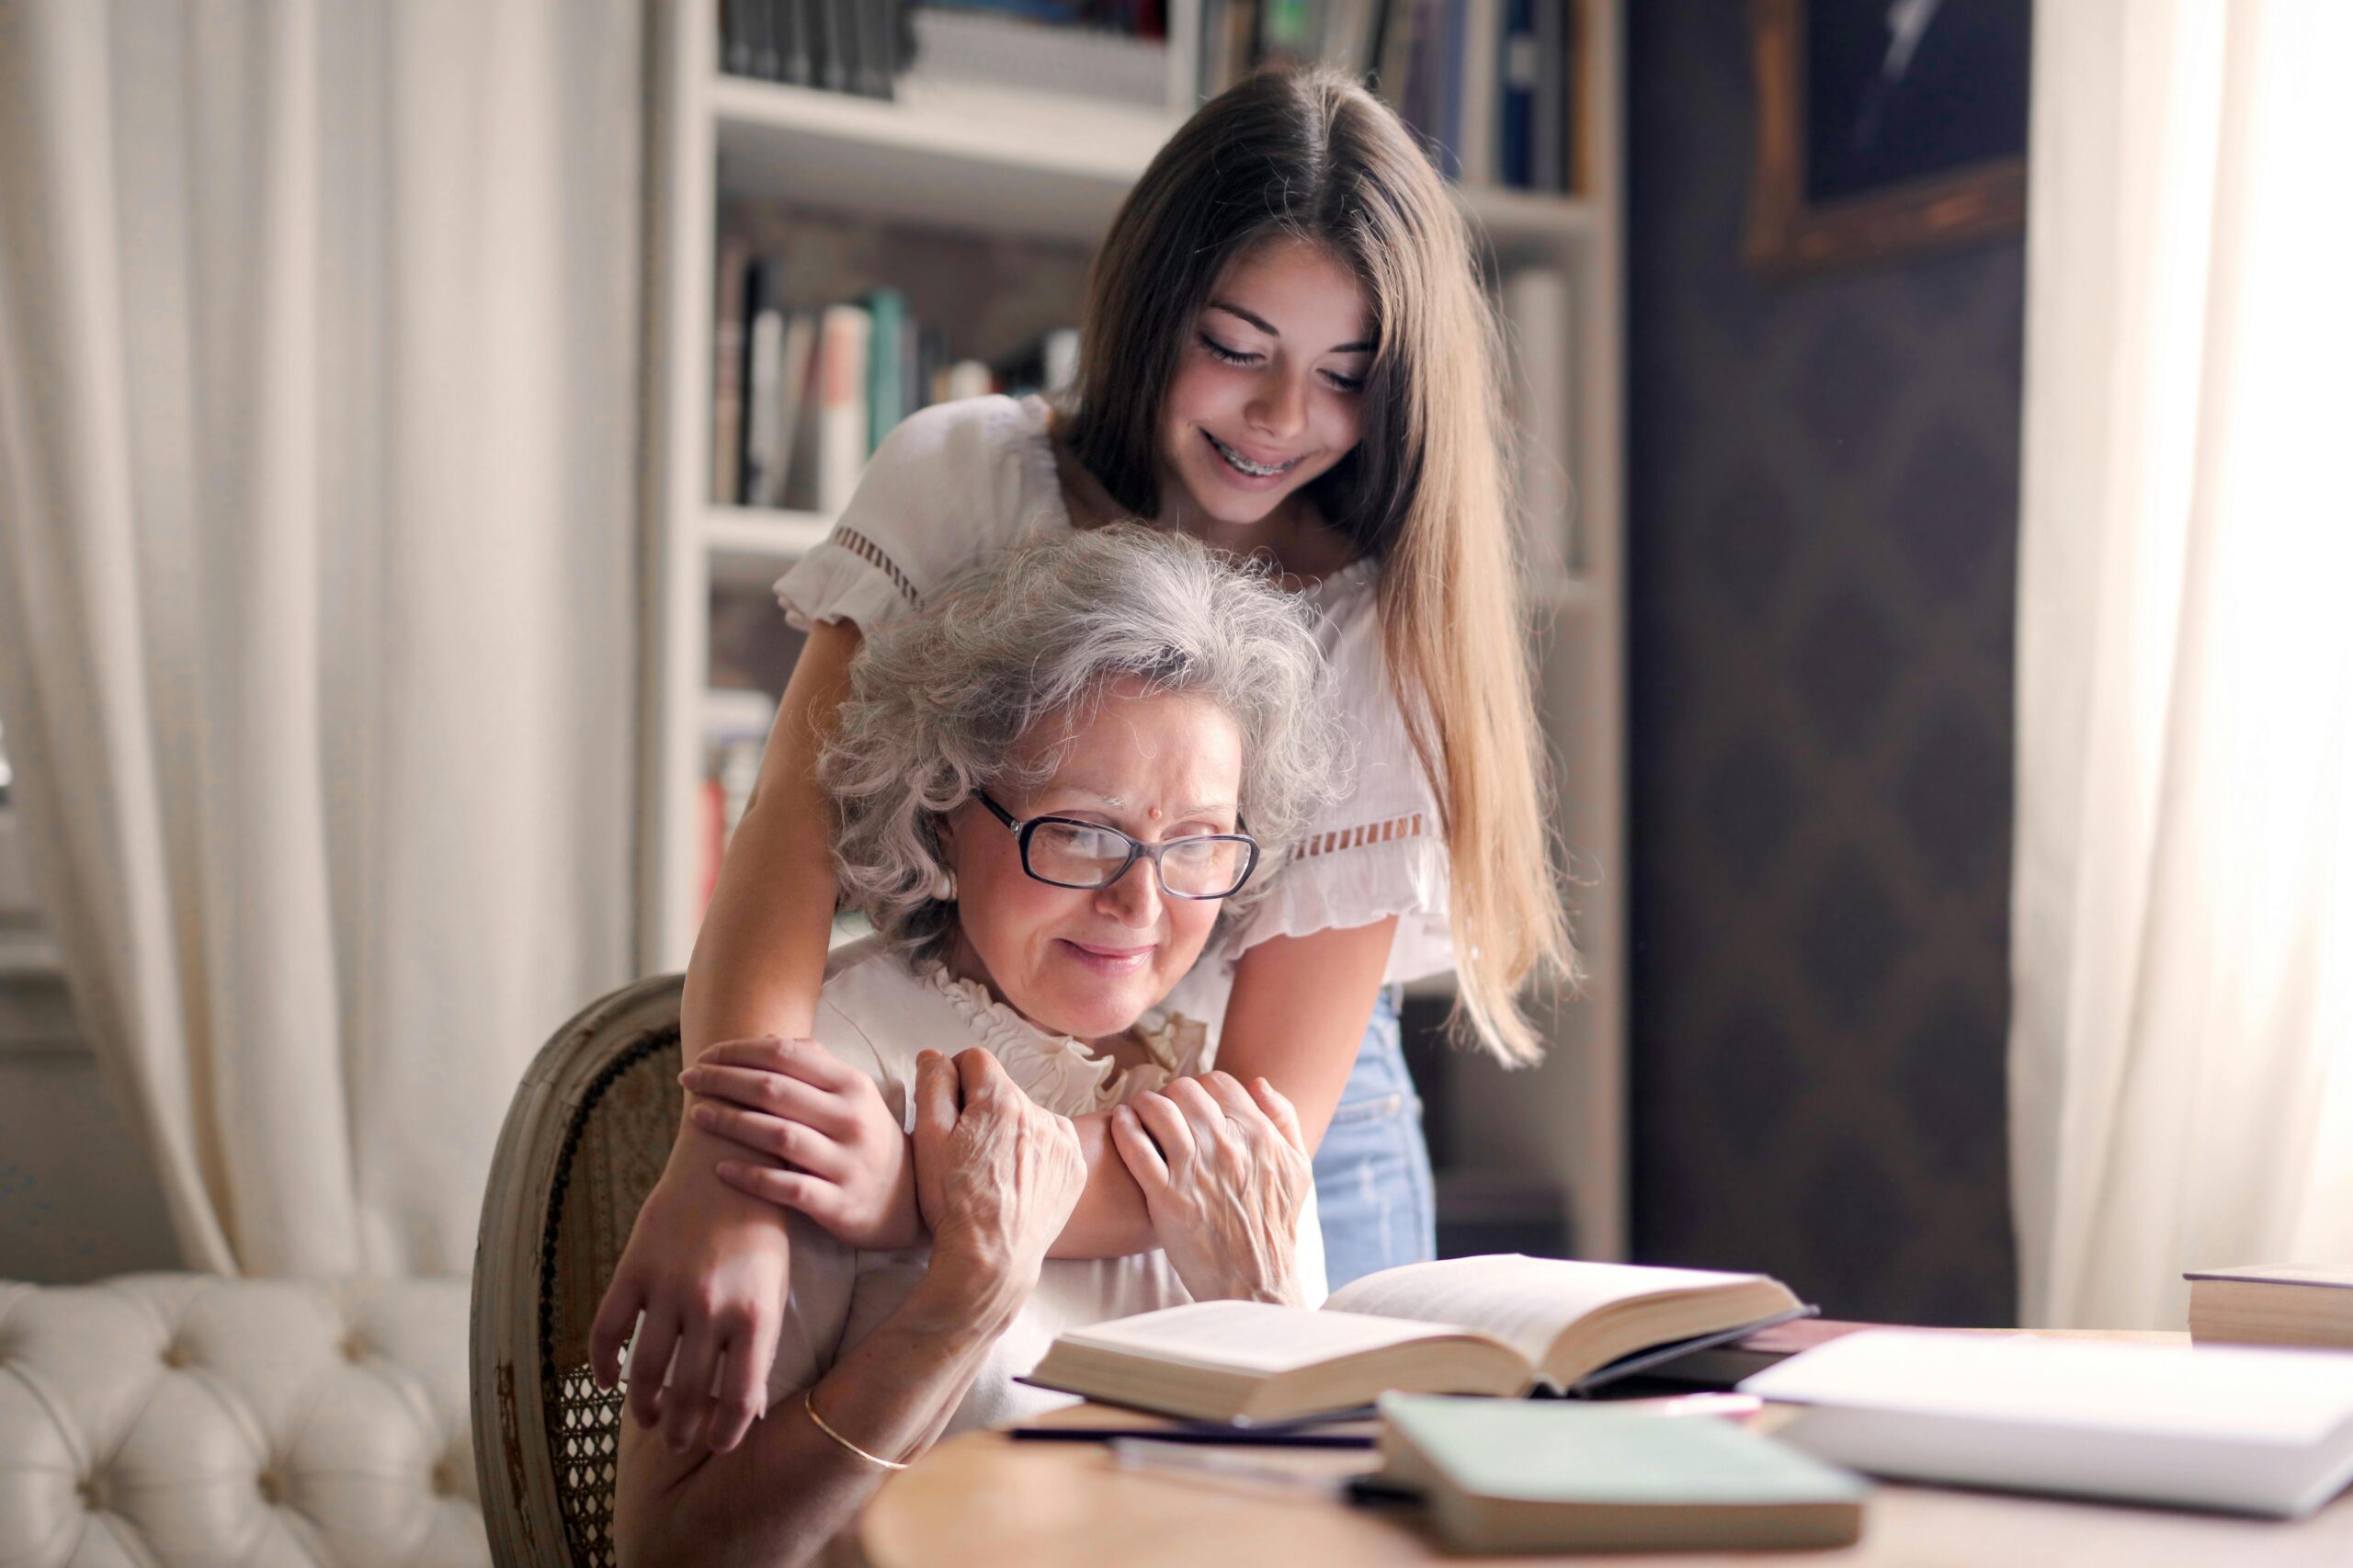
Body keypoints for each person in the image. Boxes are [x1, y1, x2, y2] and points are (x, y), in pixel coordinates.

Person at [594, 64, 1577, 1457]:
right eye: (1236, 345)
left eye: (1346, 376)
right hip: (966, 1069)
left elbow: (1266, 1116)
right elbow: (785, 860)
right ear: (1150, 309)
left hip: (1267, 1143)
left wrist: (907, 1196)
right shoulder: (967, 479)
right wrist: (730, 1165)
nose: (1282, 417)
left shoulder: (1378, 618)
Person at [612, 526, 1334, 1567]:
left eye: (1195, 844)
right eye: (1083, 829)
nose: (1142, 901)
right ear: (947, 810)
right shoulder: (827, 1073)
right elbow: (669, 1551)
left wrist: (1265, 1312)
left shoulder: (1229, 1118)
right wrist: (957, 1309)